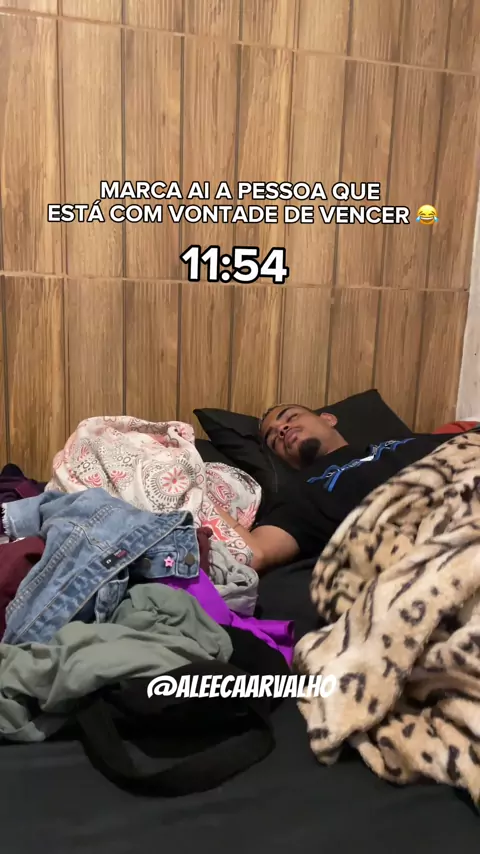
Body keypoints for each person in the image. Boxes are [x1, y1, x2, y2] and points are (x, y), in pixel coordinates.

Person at [213, 403, 475, 573]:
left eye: (290, 417)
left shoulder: (404, 442)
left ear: (328, 419)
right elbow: (256, 552)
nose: (282, 429)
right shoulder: (301, 494)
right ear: (282, 460)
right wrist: (197, 487)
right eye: (274, 438)